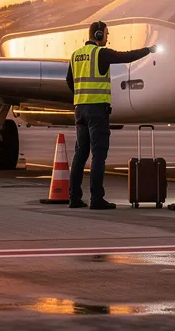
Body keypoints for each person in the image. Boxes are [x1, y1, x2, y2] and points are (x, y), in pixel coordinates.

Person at [64, 21, 155, 209]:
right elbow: (126, 57)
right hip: (97, 110)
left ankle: (74, 198)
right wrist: (148, 50)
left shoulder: (76, 55)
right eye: (106, 34)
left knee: (80, 154)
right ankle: (96, 198)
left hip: (80, 109)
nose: (107, 37)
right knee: (98, 155)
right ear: (98, 35)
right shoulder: (101, 53)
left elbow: (69, 81)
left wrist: (82, 94)